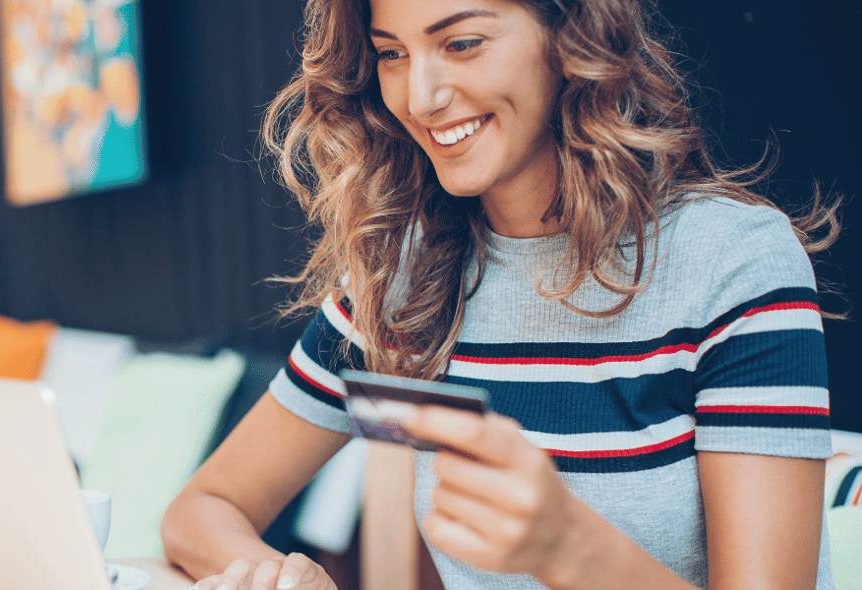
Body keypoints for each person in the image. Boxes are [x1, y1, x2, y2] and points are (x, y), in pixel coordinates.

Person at [161, 0, 842, 588]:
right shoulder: (403, 286)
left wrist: (567, 547)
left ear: (569, 36)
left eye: (461, 44)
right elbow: (203, 507)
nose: (420, 96)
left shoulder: (732, 263)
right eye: (391, 54)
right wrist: (279, 573)